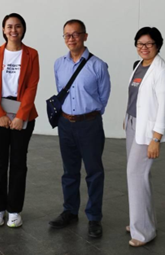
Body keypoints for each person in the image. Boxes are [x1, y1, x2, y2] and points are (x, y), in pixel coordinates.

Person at [48, 19, 111, 238]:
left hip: (89, 124)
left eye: (75, 34)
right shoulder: (59, 64)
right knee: (69, 172)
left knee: (94, 172)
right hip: (65, 124)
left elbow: (103, 97)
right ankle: (70, 212)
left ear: (85, 36)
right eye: (67, 35)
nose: (71, 38)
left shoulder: (98, 65)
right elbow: (60, 90)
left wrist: (88, 115)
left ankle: (94, 218)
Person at [0, 13, 39, 228]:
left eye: (17, 26)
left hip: (22, 113)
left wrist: (21, 116)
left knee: (18, 163)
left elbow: (32, 86)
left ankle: (14, 210)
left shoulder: (32, 54)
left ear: (23, 29)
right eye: (9, 26)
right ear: (3, 30)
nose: (13, 30)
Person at [124, 27, 165, 247]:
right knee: (139, 176)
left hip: (147, 131)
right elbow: (135, 97)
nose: (144, 47)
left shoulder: (162, 71)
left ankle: (143, 232)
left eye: (149, 44)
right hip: (133, 124)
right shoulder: (140, 66)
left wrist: (156, 139)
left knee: (136, 174)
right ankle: (142, 221)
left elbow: (164, 108)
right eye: (140, 43)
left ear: (157, 45)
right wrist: (127, 118)